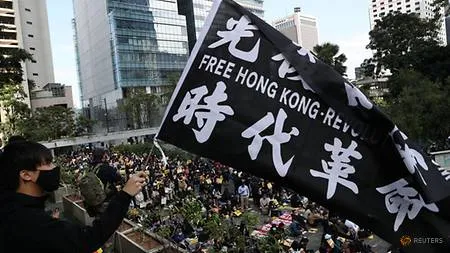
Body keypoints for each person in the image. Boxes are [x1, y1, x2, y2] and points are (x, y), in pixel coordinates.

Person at [0, 141, 147, 253]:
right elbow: (89, 238)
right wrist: (125, 194)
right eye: (48, 163)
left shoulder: (10, 209)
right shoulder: (33, 224)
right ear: (26, 174)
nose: (54, 168)